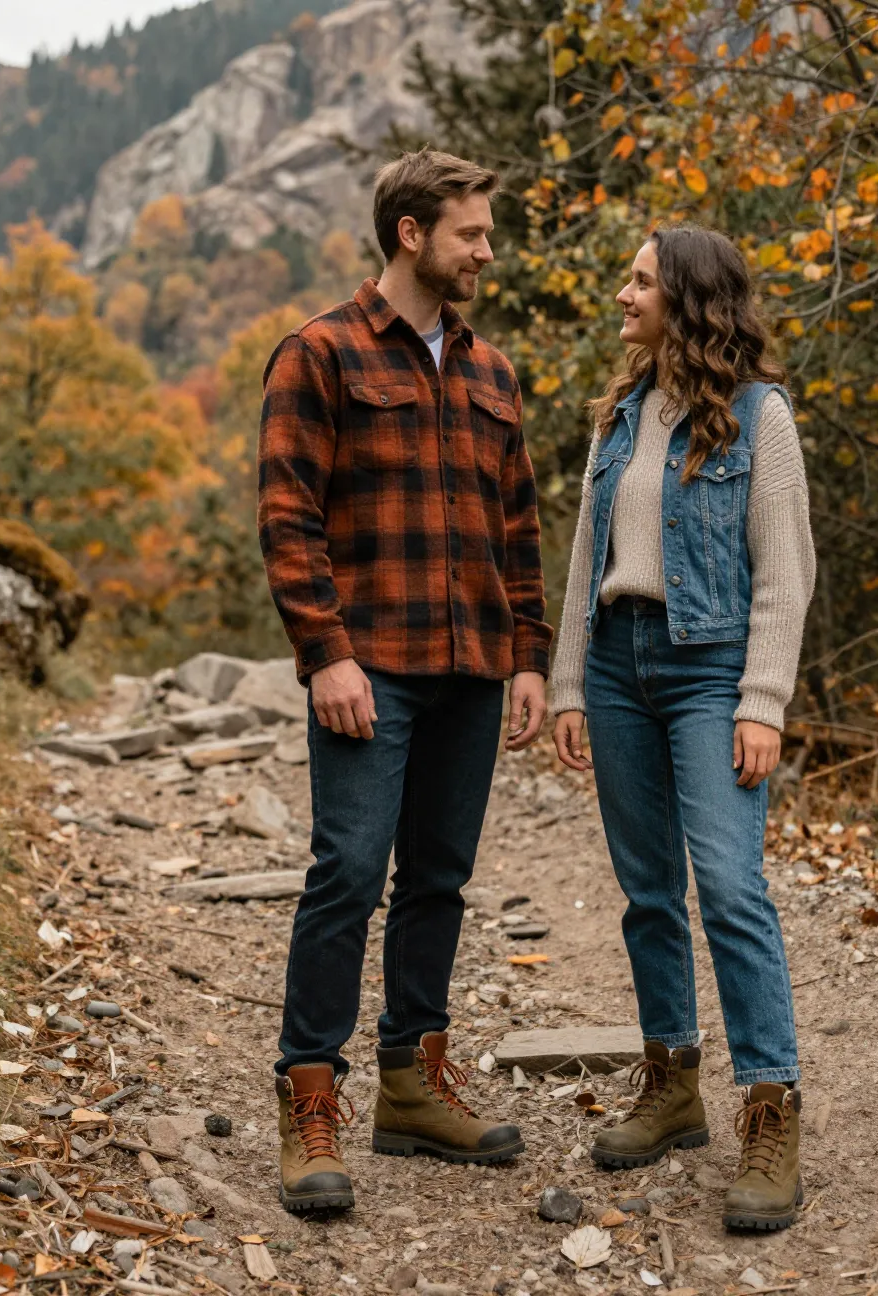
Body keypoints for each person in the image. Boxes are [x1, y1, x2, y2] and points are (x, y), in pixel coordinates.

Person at [256, 147, 551, 1213]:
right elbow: (288, 520)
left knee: (439, 882)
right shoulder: (319, 354)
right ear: (411, 233)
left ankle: (414, 1085)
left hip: (474, 671)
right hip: (369, 672)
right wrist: (325, 651)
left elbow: (518, 526)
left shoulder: (491, 369)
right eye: (471, 233)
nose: (487, 251)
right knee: (346, 874)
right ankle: (309, 1102)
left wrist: (529, 657)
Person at [548, 224, 816, 1231]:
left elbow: (785, 572)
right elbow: (584, 553)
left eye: (641, 282)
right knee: (648, 891)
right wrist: (568, 681)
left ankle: (771, 1103)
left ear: (689, 300)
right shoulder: (620, 413)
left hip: (712, 670)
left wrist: (763, 702)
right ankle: (671, 1085)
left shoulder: (760, 417)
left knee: (733, 888)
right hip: (618, 661)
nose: (623, 295)